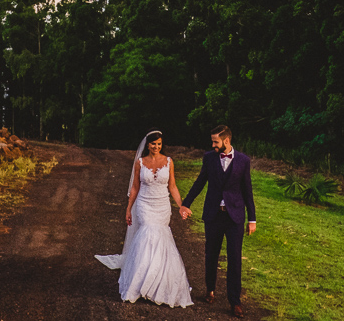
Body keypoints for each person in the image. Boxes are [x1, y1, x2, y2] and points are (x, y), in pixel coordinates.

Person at [95, 130, 194, 308]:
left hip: (162, 206)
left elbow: (172, 187)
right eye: (153, 144)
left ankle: (160, 285)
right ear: (147, 145)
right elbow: (134, 188)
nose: (156, 147)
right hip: (144, 204)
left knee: (161, 238)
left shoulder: (169, 162)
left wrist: (181, 206)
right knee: (147, 234)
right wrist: (128, 209)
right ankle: (140, 283)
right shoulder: (140, 163)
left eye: (159, 144)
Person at [179, 125, 256, 319]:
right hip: (213, 215)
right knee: (211, 255)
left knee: (234, 259)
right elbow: (199, 182)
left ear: (226, 141)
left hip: (234, 218)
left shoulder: (243, 161)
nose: (212, 145)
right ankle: (210, 289)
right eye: (212, 141)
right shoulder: (209, 158)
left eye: (216, 141)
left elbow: (248, 191)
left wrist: (252, 219)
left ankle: (235, 301)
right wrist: (185, 203)